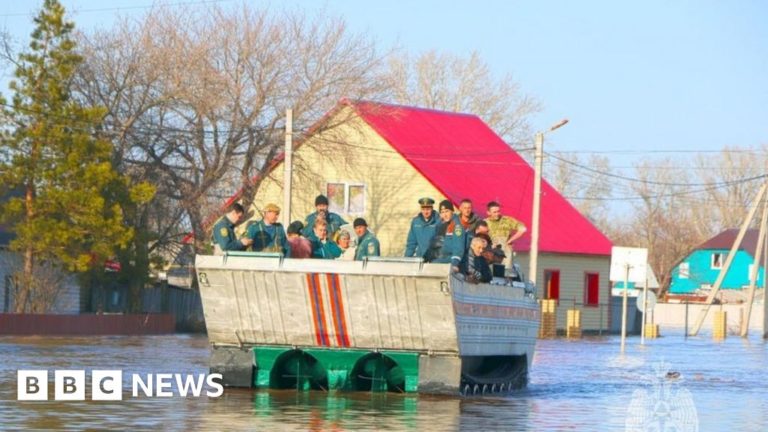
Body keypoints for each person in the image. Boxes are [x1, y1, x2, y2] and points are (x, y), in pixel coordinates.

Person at [485, 201, 527, 269]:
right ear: (488, 212)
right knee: (491, 273)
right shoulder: (485, 223)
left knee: (506, 272)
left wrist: (510, 240)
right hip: (491, 252)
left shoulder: (507, 220)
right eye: (494, 212)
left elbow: (523, 229)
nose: (497, 214)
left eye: (498, 211)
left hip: (505, 251)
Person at [427, 200, 465, 267]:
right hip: (439, 258)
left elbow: (458, 248)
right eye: (442, 212)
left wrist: (455, 264)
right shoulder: (439, 225)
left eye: (447, 211)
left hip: (450, 261)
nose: (445, 215)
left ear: (452, 211)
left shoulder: (456, 226)